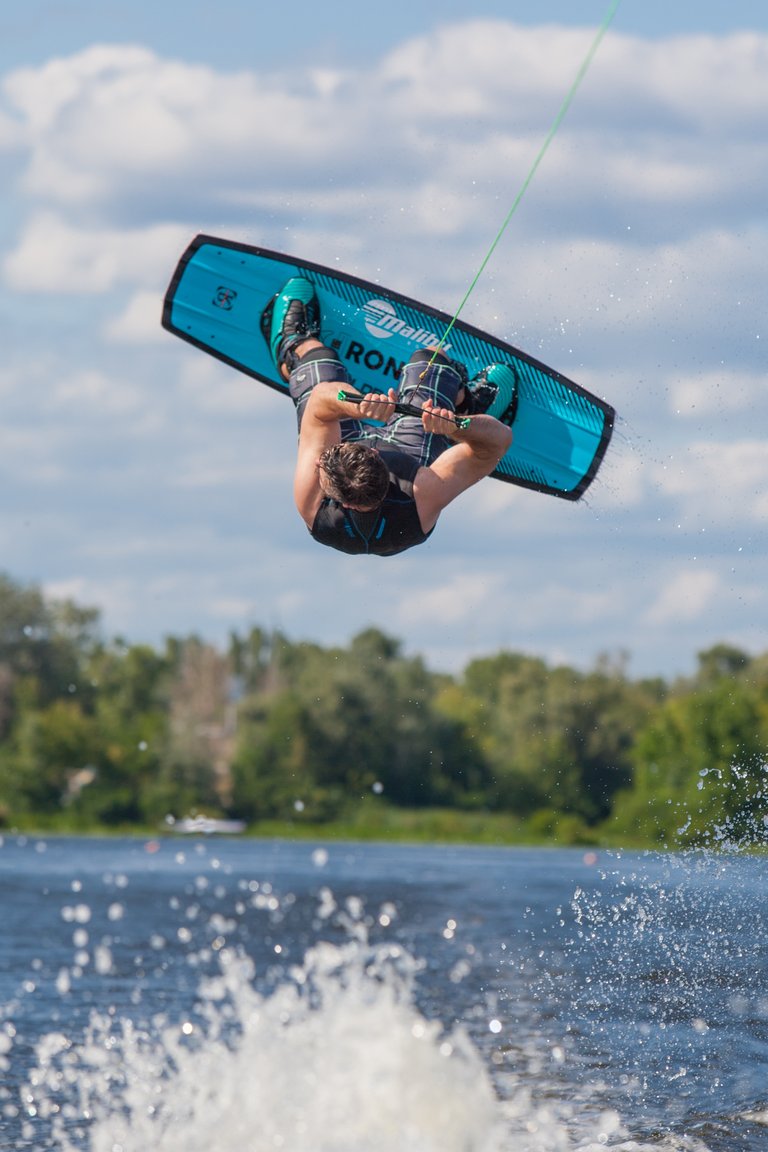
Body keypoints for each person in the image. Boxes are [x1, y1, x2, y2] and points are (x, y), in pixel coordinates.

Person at [266, 277, 516, 556]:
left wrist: (359, 406)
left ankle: (292, 346)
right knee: (431, 356)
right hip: (407, 455)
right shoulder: (421, 493)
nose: (318, 460)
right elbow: (496, 445)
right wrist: (457, 427)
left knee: (314, 356)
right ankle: (466, 404)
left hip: (361, 464)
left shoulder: (312, 497)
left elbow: (320, 402)